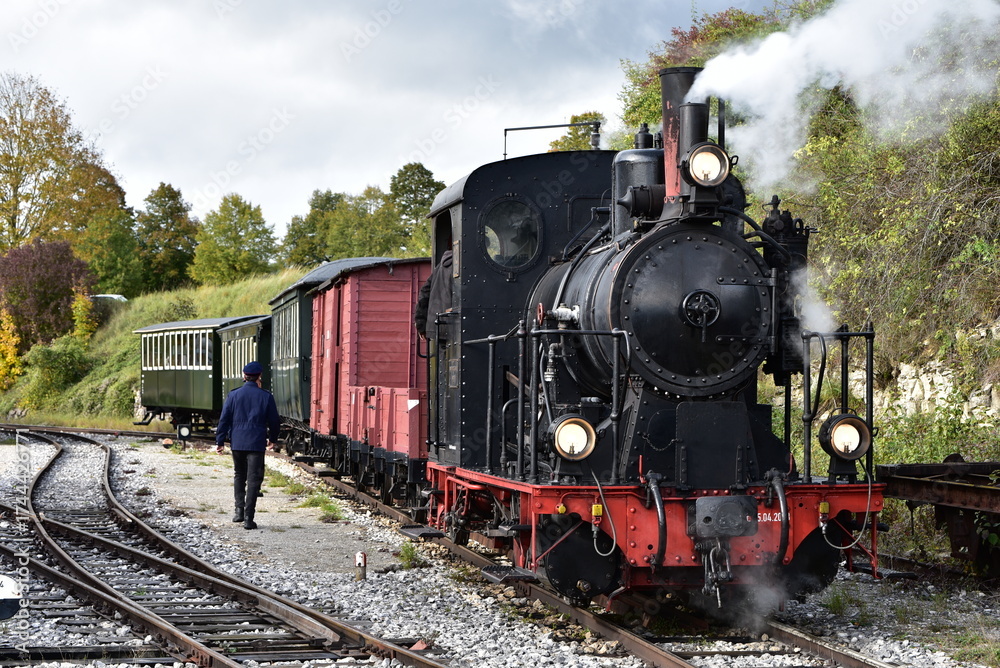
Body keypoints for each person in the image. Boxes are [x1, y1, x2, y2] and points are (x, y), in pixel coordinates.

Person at [215, 361, 280, 530]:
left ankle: (239, 512)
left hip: (237, 442)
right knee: (253, 479)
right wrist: (273, 438)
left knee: (239, 475)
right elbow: (274, 421)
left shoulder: (233, 395)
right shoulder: (266, 396)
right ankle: (249, 519)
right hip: (256, 442)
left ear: (244, 376)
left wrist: (220, 441)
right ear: (259, 376)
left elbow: (224, 419)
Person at [414, 248, 453, 341]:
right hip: (452, 328)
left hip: (437, 327)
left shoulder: (441, 266)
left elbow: (424, 292)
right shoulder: (463, 264)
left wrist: (421, 324)